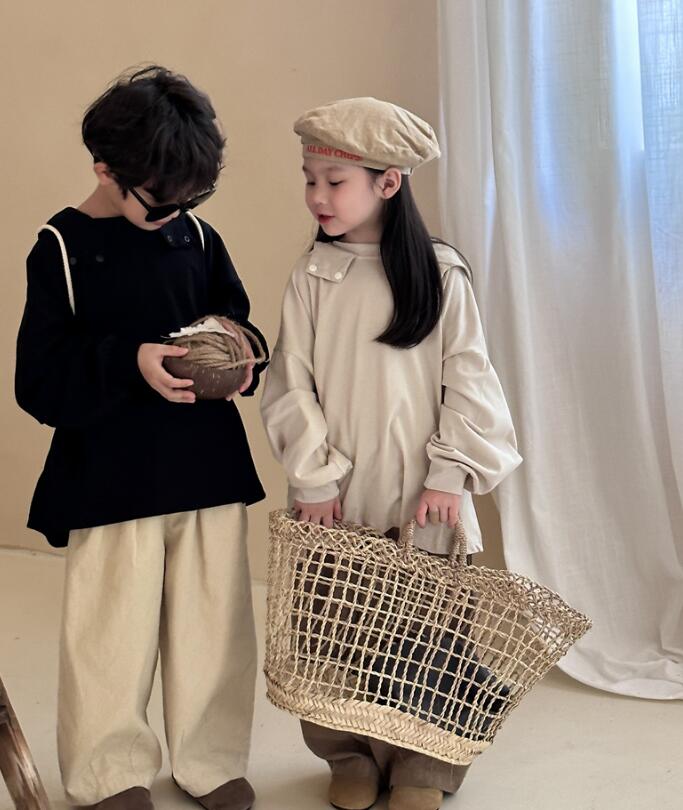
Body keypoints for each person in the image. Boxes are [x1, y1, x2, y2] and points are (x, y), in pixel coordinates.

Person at [15, 66, 267, 810]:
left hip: (206, 468)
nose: (176, 214)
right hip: (111, 476)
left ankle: (210, 759)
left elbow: (236, 318)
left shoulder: (197, 235)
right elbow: (39, 380)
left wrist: (242, 352)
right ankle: (108, 771)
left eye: (191, 199)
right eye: (162, 201)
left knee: (214, 626)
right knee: (110, 634)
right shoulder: (61, 248)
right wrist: (131, 361)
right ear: (106, 170)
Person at [260, 97, 522, 810]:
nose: (317, 196)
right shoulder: (313, 274)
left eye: (334, 181)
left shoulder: (439, 274)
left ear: (387, 182)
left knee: (427, 632)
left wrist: (448, 474)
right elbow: (290, 383)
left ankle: (422, 767)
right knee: (335, 626)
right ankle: (348, 754)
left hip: (420, 493)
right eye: (309, 179)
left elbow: (469, 380)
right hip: (336, 496)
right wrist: (313, 478)